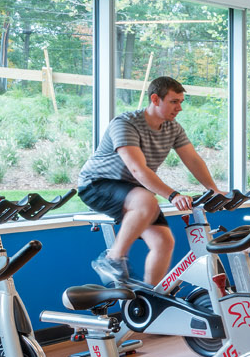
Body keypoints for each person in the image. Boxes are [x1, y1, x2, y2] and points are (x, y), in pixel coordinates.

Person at [77, 75, 223, 287]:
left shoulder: (172, 128)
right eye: (174, 102)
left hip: (133, 190)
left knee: (164, 242)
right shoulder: (125, 123)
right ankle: (112, 259)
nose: (179, 108)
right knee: (147, 200)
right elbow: (137, 169)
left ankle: (150, 299)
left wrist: (214, 190)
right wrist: (172, 195)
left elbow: (193, 159)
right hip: (97, 184)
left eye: (181, 102)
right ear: (155, 99)